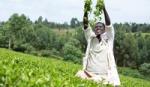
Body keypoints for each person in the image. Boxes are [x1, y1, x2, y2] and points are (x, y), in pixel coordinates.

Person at [75, 4, 120, 87]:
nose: (98, 28)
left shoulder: (108, 39)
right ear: (94, 29)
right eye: (96, 27)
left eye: (100, 27)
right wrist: (86, 10)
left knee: (99, 81)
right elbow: (85, 26)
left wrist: (104, 8)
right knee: (79, 74)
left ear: (104, 30)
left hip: (104, 76)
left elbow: (109, 25)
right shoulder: (90, 38)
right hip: (88, 73)